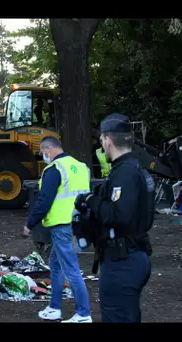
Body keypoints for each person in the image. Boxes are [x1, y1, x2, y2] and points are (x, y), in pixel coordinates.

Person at [75, 113, 153, 323]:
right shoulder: (132, 169)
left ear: (108, 140)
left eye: (101, 141)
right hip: (129, 256)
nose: (101, 147)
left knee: (118, 316)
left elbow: (119, 215)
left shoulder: (125, 173)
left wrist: (91, 200)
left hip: (123, 261)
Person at [23, 136, 92, 323]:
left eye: (41, 152)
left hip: (62, 225)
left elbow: (44, 200)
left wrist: (30, 224)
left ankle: (84, 314)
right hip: (78, 225)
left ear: (48, 150)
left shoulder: (54, 170)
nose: (42, 156)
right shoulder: (81, 167)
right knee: (55, 265)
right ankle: (54, 308)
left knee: (71, 270)